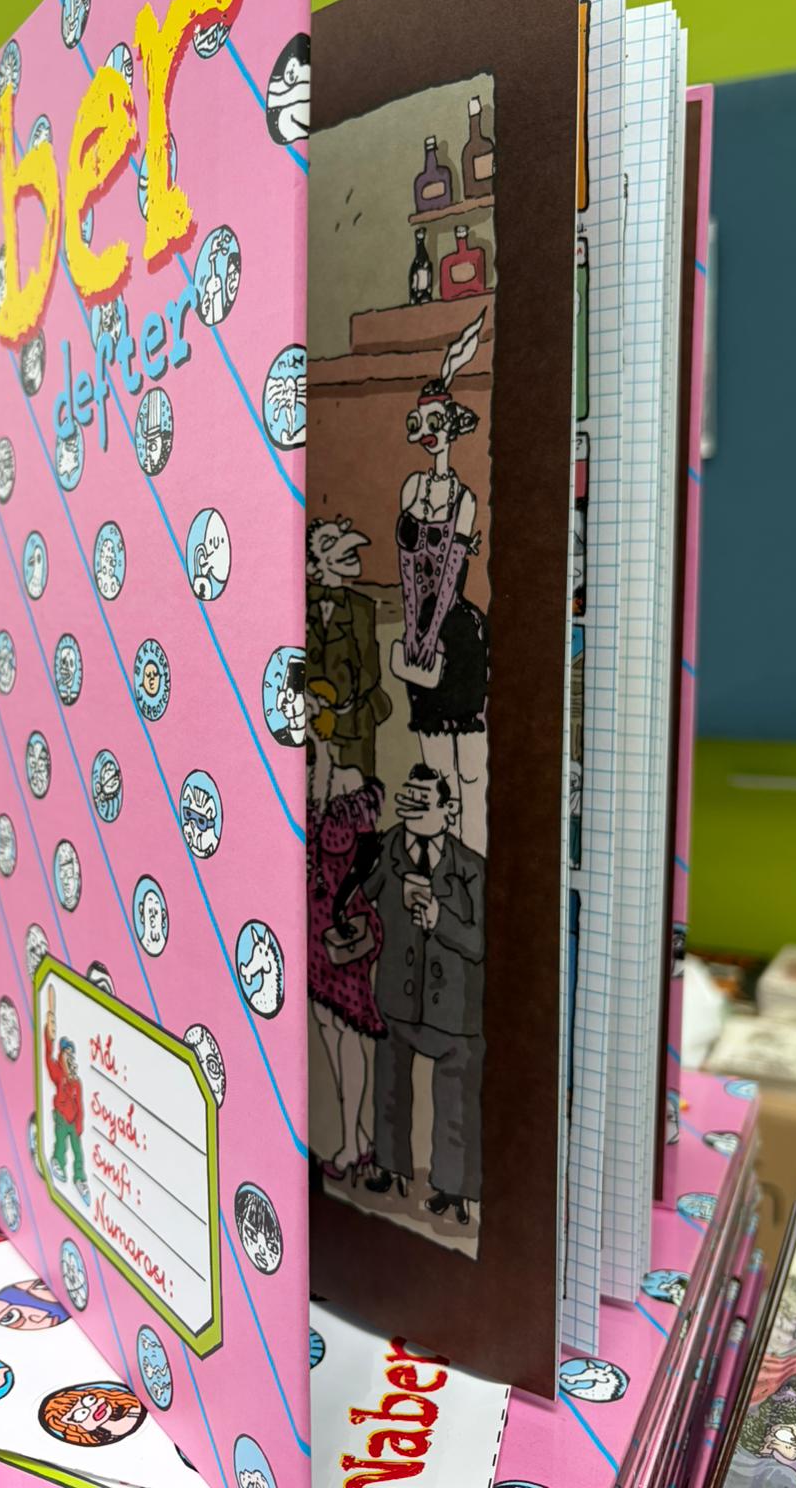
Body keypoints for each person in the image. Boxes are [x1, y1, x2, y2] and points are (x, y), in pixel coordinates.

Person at [353, 765, 486, 1225]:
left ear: (448, 810)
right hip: (396, 997)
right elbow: (363, 898)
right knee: (389, 1088)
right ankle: (391, 1170)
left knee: (455, 1100)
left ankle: (454, 1190)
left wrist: (438, 918)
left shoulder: (470, 868)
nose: (412, 808)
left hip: (453, 1011)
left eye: (423, 800)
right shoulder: (389, 848)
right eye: (408, 798)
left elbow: (479, 942)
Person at [392, 317, 490, 853]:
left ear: (451, 427)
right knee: (435, 769)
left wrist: (428, 638)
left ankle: (472, 859)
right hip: (420, 632)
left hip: (455, 633)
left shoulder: (464, 499)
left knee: (470, 769)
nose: (427, 431)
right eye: (421, 420)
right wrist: (414, 634)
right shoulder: (411, 488)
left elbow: (450, 574)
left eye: (435, 421)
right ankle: (442, 863)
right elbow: (408, 569)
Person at [306, 682, 385, 1182]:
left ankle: (353, 1142)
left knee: (348, 1027)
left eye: (313, 716)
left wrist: (341, 901)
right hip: (313, 923)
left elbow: (369, 853)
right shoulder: (303, 780)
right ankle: (355, 1136)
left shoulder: (349, 781)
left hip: (345, 920)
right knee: (327, 1025)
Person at [305, 518, 392, 777]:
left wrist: (336, 705)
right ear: (313, 565)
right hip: (308, 712)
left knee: (356, 785)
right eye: (328, 542)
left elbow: (369, 669)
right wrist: (315, 703)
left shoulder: (361, 607)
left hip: (354, 715)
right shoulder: (299, 602)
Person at [43, 989, 88, 1205]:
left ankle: (80, 1178)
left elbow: (80, 1106)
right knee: (61, 1144)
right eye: (66, 1054)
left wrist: (78, 1126)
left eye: (71, 1054)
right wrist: (49, 1035)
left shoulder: (76, 1083)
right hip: (61, 1118)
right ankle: (57, 1161)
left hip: (73, 1122)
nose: (69, 1058)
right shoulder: (58, 1075)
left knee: (78, 1152)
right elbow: (47, 1057)